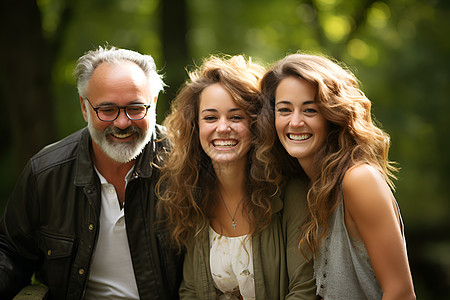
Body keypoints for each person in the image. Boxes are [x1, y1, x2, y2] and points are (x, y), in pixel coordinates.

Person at [0, 46, 182, 300]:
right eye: (107, 110)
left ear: (153, 104)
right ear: (85, 109)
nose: (122, 122)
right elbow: (10, 251)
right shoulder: (45, 173)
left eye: (135, 107)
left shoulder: (186, 166)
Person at [156, 54, 317, 300]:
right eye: (210, 118)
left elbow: (304, 292)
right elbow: (189, 291)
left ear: (257, 124)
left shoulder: (290, 193)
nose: (222, 128)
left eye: (236, 117)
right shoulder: (194, 195)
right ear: (195, 126)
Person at [257, 52, 416, 299]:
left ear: (333, 115)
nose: (295, 122)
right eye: (284, 110)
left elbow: (400, 292)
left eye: (310, 110)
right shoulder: (304, 185)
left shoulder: (359, 180)